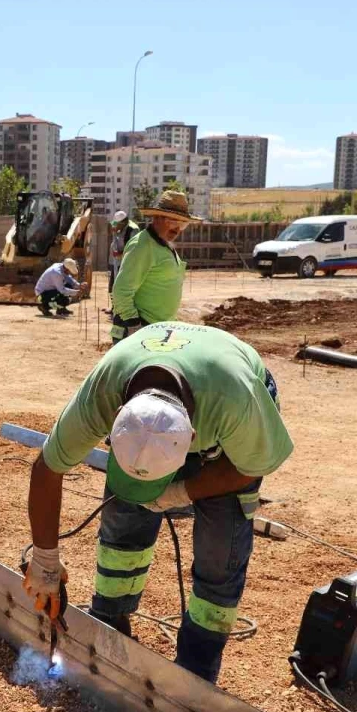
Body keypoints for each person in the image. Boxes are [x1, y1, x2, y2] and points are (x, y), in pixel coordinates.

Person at [23, 321, 293, 684]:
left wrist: (181, 492)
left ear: (193, 440)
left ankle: (196, 668)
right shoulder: (102, 392)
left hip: (227, 426)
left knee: (221, 547)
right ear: (116, 420)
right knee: (123, 516)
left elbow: (247, 470)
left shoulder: (237, 403)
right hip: (191, 387)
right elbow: (46, 467)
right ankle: (110, 619)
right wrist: (44, 561)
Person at [110, 189, 200, 344]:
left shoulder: (164, 244)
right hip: (141, 329)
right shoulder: (143, 246)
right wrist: (134, 326)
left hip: (158, 329)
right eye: (173, 222)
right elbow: (121, 291)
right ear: (157, 218)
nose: (177, 229)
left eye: (182, 224)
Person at [108, 210, 139, 299]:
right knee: (113, 285)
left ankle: (121, 310)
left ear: (123, 222)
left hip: (128, 264)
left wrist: (121, 255)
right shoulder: (121, 228)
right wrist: (114, 232)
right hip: (117, 262)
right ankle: (114, 308)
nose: (115, 225)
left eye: (116, 224)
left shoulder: (133, 230)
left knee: (123, 287)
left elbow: (134, 249)